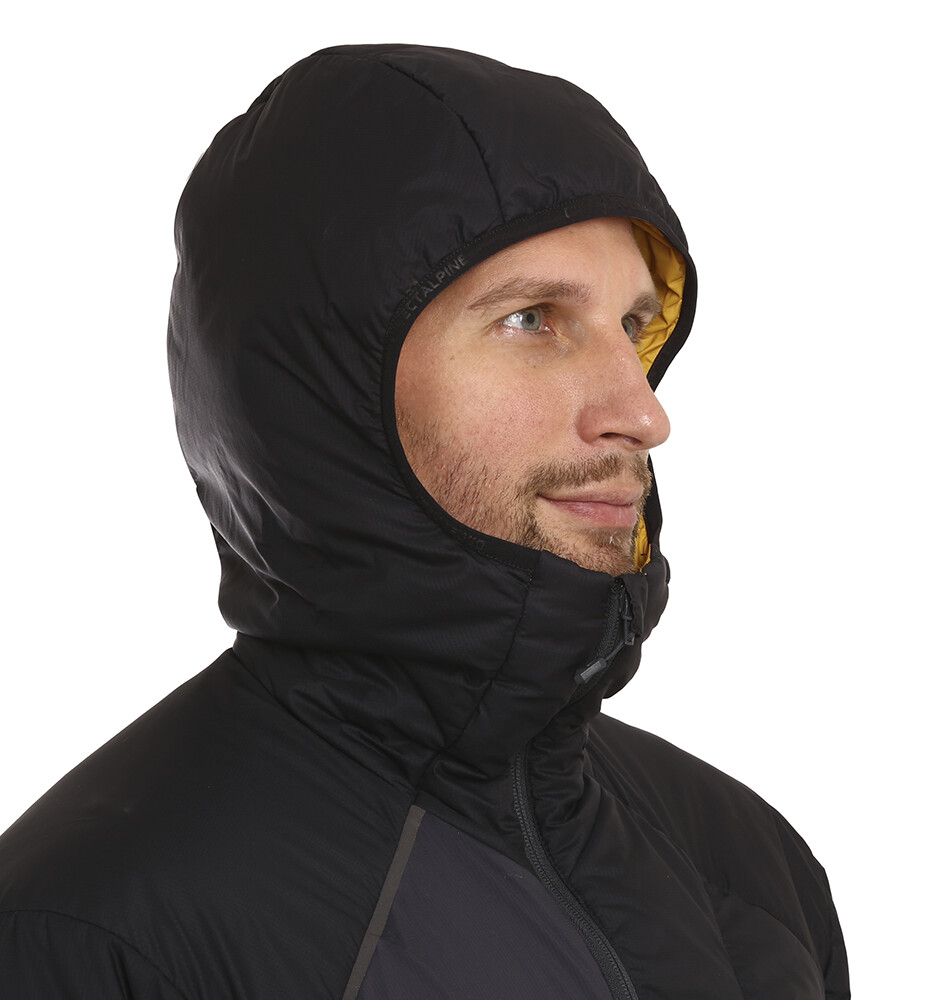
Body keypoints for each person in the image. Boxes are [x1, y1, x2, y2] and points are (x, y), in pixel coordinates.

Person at [0, 44, 850, 999]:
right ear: (322, 392)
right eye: (533, 319)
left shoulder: (755, 868)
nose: (644, 414)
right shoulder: (91, 936)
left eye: (632, 327)